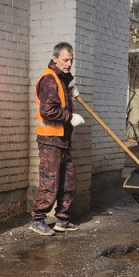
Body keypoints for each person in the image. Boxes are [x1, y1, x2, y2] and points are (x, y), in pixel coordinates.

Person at [29, 42, 85, 236]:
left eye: (71, 60)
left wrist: (69, 90)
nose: (69, 63)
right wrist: (70, 117)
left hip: (62, 141)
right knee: (50, 181)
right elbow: (47, 110)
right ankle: (37, 219)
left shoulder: (60, 79)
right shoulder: (49, 79)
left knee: (68, 181)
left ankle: (62, 219)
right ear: (55, 59)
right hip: (49, 140)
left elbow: (58, 102)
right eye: (65, 60)